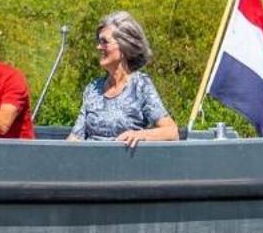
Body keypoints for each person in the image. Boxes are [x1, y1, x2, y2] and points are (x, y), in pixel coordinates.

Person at [67, 10, 179, 147]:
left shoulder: (140, 85)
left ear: (123, 46)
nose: (98, 47)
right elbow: (75, 138)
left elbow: (172, 132)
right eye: (98, 41)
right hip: (91, 165)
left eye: (104, 42)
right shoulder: (93, 89)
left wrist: (140, 135)